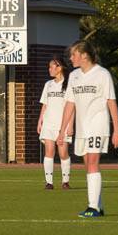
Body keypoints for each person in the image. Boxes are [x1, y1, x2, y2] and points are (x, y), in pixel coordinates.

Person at [58, 39, 118, 218]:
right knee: (88, 164)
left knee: (93, 162)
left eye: (74, 54)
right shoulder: (74, 76)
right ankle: (99, 207)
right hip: (82, 128)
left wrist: (117, 130)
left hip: (98, 124)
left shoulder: (102, 74)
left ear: (84, 55)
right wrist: (62, 130)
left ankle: (92, 207)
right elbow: (69, 104)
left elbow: (111, 102)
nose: (71, 58)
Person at [36, 56, 72, 190]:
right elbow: (45, 104)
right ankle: (49, 182)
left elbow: (71, 106)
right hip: (49, 124)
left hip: (63, 124)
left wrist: (70, 125)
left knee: (63, 153)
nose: (49, 69)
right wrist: (40, 121)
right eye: (49, 67)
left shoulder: (68, 84)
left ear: (60, 67)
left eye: (52, 66)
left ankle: (65, 181)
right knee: (49, 152)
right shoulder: (48, 84)